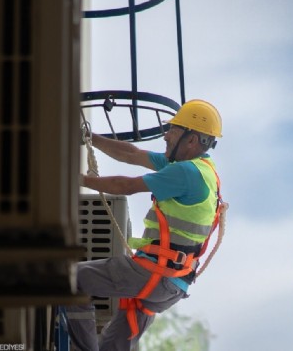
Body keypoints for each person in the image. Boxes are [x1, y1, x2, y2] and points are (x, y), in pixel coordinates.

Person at [65, 99, 224, 351]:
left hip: (155, 273)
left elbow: (125, 186)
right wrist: (90, 137)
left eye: (173, 129)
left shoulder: (186, 174)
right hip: (172, 283)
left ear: (191, 140)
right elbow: (131, 154)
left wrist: (74, 179)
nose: (166, 135)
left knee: (72, 279)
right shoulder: (199, 170)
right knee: (113, 346)